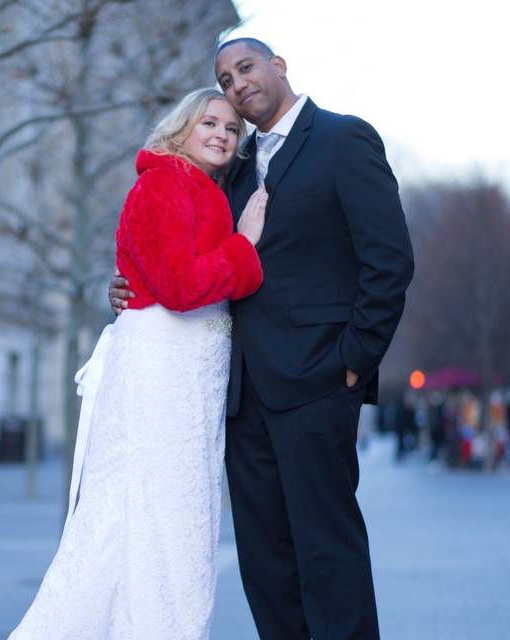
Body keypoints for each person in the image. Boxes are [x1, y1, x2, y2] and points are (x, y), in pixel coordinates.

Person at [111, 37, 413, 639]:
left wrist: (353, 362)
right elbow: (191, 255)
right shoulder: (235, 165)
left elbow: (389, 261)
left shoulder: (343, 139)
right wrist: (126, 285)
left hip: (318, 382)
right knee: (264, 562)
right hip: (240, 393)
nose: (236, 84)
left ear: (278, 66)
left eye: (245, 68)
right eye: (224, 79)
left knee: (327, 551)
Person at [10, 88, 267, 638]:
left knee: (165, 519)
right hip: (163, 372)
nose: (223, 134)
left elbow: (162, 272)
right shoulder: (165, 183)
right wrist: (245, 246)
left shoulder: (194, 187)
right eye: (210, 123)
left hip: (184, 373)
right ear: (181, 129)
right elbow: (179, 286)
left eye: (231, 128)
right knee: (156, 518)